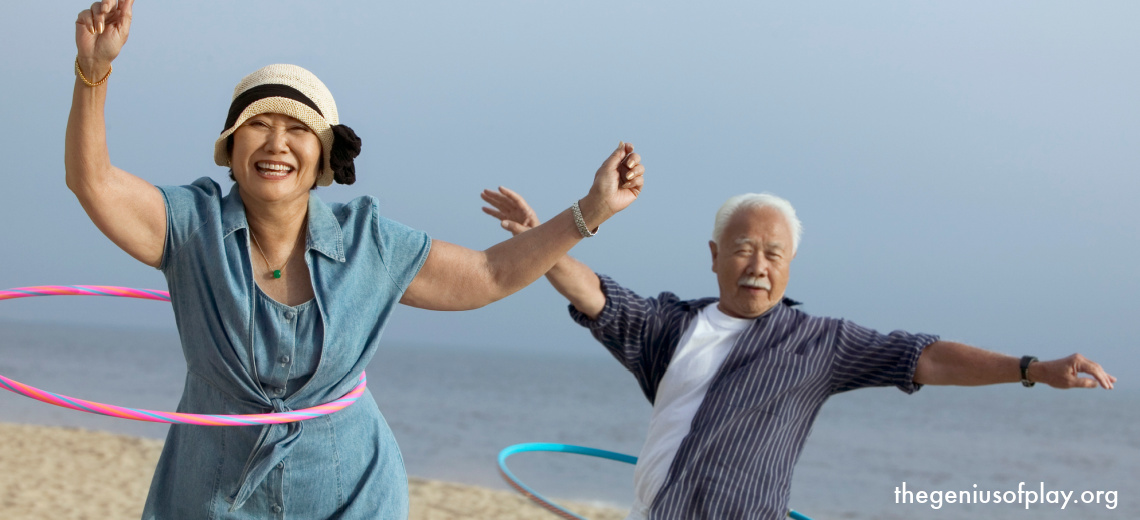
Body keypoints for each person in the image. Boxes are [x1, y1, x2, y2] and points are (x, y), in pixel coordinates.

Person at [64, 1, 645, 518]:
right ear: (231, 146)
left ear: (321, 156)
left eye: (296, 129)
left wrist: (590, 210)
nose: (275, 143)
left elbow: (489, 274)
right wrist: (94, 71)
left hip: (351, 496)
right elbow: (92, 182)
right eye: (258, 126)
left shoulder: (370, 243)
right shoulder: (192, 227)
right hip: (213, 496)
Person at [481, 187, 1116, 520]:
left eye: (774, 254)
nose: (758, 266)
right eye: (743, 248)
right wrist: (543, 239)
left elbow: (927, 357)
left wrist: (1031, 370)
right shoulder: (667, 327)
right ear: (714, 255)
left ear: (789, 266)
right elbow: (591, 290)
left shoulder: (821, 344)